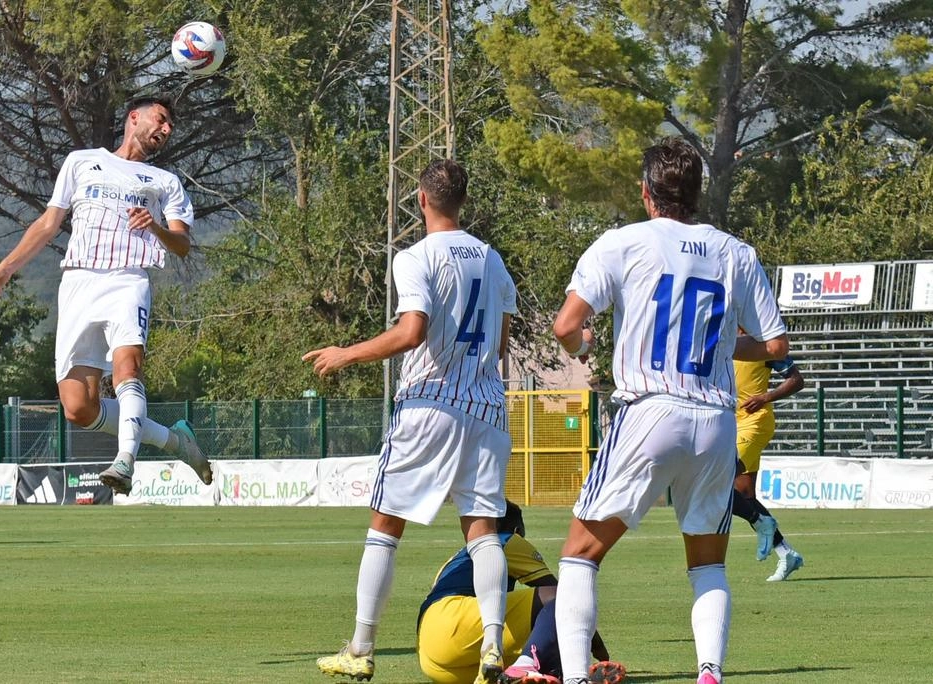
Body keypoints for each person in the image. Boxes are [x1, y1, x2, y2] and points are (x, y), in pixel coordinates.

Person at [550, 137, 790, 684]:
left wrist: (583, 347)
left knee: (579, 556)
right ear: (697, 193)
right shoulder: (737, 252)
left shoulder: (623, 242)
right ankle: (709, 674)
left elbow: (566, 327)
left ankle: (573, 677)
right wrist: (718, 340)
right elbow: (775, 346)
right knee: (707, 563)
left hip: (650, 409)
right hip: (714, 421)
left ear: (646, 192)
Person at [305, 159, 518, 684]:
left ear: (421, 199)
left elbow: (412, 330)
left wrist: (345, 354)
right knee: (483, 529)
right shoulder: (494, 261)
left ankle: (360, 647)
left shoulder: (416, 256)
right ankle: (491, 645)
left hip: (430, 403)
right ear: (461, 201)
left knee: (385, 525)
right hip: (487, 406)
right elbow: (503, 341)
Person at [0, 95, 211, 495]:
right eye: (161, 119)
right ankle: (175, 441)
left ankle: (125, 462)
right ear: (133, 117)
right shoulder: (81, 161)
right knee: (78, 408)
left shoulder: (164, 183)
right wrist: (5, 269)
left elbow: (183, 244)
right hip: (80, 282)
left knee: (127, 370)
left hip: (127, 280)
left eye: (170, 126)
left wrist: (154, 228)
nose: (166, 129)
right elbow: (49, 224)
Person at [417, 501, 625, 684]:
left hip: (434, 661)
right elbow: (568, 598)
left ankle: (553, 673)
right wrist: (596, 646)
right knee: (561, 599)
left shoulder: (456, 560)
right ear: (516, 528)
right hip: (455, 623)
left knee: (542, 641)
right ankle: (528, 665)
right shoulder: (508, 539)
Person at [731, 355, 805, 581]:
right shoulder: (721, 340)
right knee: (744, 495)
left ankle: (760, 521)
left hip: (754, 422)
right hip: (729, 423)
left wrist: (765, 397)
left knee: (718, 480)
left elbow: (796, 380)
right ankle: (786, 553)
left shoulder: (764, 346)